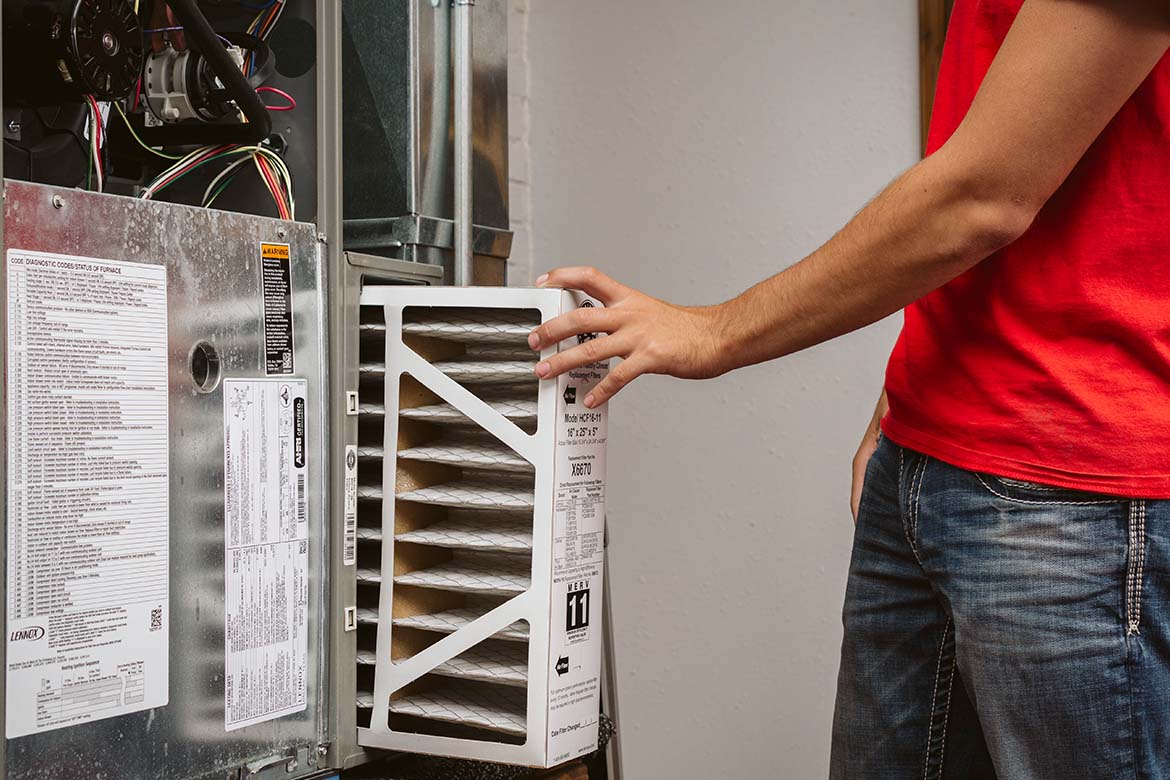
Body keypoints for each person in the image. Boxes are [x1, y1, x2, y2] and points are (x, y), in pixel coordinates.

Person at [525, 1, 1170, 777]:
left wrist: (715, 331)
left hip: (1076, 494)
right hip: (927, 456)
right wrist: (897, 397)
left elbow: (986, 195)